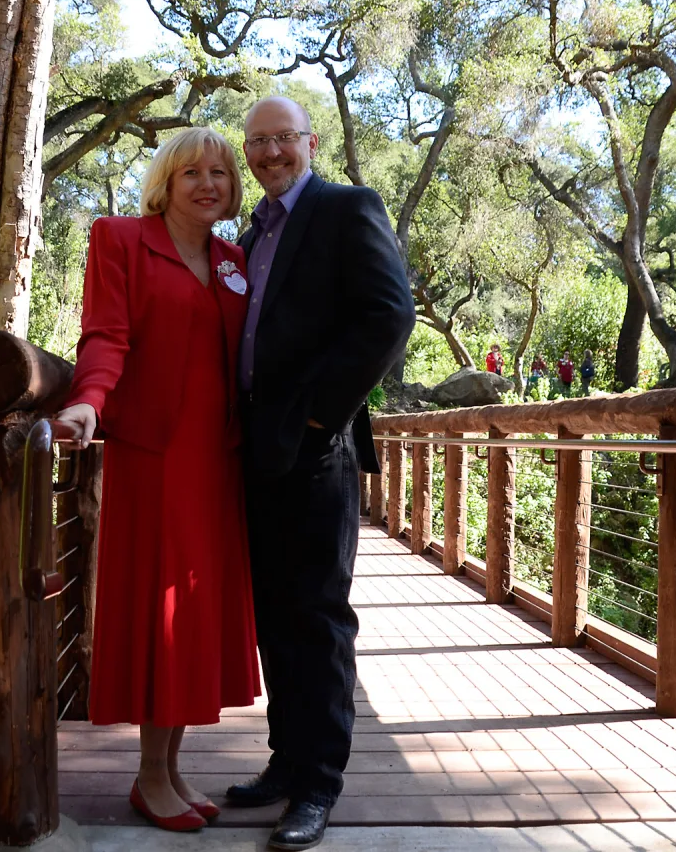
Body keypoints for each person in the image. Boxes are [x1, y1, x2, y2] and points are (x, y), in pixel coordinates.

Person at [51, 127, 260, 833]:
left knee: (193, 618)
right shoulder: (120, 240)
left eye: (222, 174)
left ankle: (171, 769)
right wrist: (88, 401)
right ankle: (147, 777)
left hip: (215, 461)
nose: (209, 184)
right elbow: (106, 334)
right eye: (192, 173)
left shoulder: (236, 260)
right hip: (155, 458)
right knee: (161, 618)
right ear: (165, 183)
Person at [225, 96, 414, 851]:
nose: (270, 152)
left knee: (319, 618)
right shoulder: (252, 232)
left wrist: (318, 415)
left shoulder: (346, 207)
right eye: (257, 142)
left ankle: (319, 784)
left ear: (309, 141)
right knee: (274, 615)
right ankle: (286, 757)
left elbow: (388, 315)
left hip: (316, 453)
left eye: (282, 139)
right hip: (258, 453)